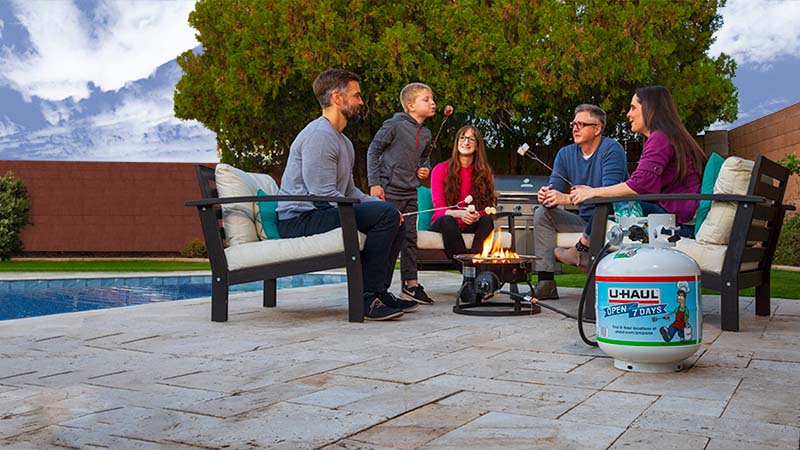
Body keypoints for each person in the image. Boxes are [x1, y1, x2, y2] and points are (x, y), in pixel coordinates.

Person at [276, 69, 418, 321]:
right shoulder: (319, 136)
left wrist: (377, 205)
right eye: (356, 96)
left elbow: (349, 191)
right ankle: (365, 299)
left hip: (322, 209)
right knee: (385, 215)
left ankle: (379, 292)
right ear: (337, 98)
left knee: (395, 216)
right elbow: (322, 195)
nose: (361, 102)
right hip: (300, 219)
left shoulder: (343, 141)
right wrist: (376, 212)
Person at [569, 86, 706, 237]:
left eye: (633, 108)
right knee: (606, 221)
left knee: (607, 206)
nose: (629, 114)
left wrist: (593, 192)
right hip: (675, 216)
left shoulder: (660, 138)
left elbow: (640, 185)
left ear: (649, 108)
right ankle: (583, 251)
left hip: (677, 223)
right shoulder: (669, 136)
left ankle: (580, 251)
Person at [532, 104, 627, 300]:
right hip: (584, 219)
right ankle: (546, 282)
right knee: (542, 213)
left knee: (602, 205)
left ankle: (580, 251)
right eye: (574, 124)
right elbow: (555, 188)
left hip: (611, 220)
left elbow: (611, 195)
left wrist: (566, 198)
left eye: (582, 124)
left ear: (597, 129)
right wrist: (546, 195)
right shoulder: (565, 154)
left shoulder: (612, 150)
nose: (575, 128)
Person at [367, 82, 436, 305]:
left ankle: (411, 285)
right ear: (410, 105)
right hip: (389, 191)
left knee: (409, 239)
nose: (432, 102)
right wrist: (375, 184)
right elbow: (373, 150)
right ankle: (379, 290)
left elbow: (424, 157)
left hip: (410, 192)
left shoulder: (426, 133)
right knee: (388, 241)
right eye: (426, 99)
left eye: (432, 98)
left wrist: (425, 169)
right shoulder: (394, 125)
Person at [429, 126, 496, 260]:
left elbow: (487, 207)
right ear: (457, 142)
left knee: (487, 221)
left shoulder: (485, 173)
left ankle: (475, 266)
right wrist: (460, 213)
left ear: (477, 146)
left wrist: (477, 215)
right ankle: (469, 272)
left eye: (471, 139)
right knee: (448, 221)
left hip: (470, 223)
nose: (466, 142)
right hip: (445, 222)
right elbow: (439, 209)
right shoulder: (440, 170)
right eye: (463, 138)